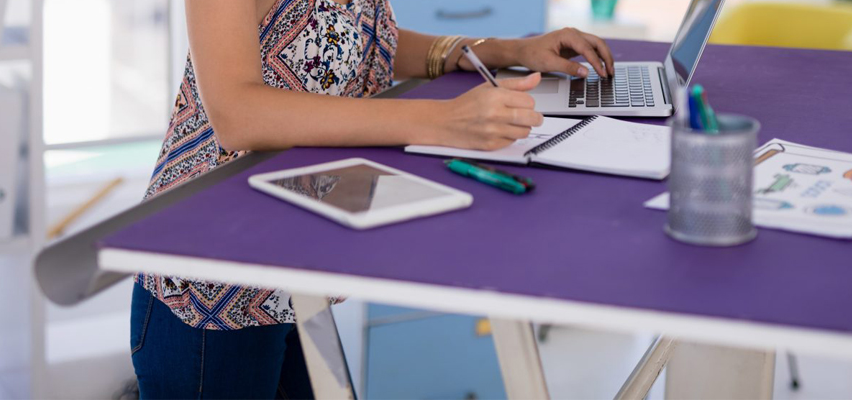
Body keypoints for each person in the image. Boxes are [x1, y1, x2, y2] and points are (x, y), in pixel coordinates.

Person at [130, 0, 616, 397]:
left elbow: (363, 39)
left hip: (291, 265)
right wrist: (443, 120)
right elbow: (238, 114)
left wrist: (507, 50)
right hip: (213, 276)